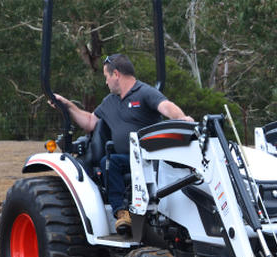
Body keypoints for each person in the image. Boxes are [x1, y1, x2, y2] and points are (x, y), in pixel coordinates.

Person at [52, 54, 194, 235]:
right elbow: (89, 122)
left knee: (112, 162)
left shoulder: (144, 92)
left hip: (148, 159)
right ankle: (121, 213)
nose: (106, 82)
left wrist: (181, 119)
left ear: (116, 74)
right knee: (109, 162)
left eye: (106, 77)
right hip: (124, 159)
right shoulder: (109, 102)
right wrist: (67, 106)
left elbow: (166, 106)